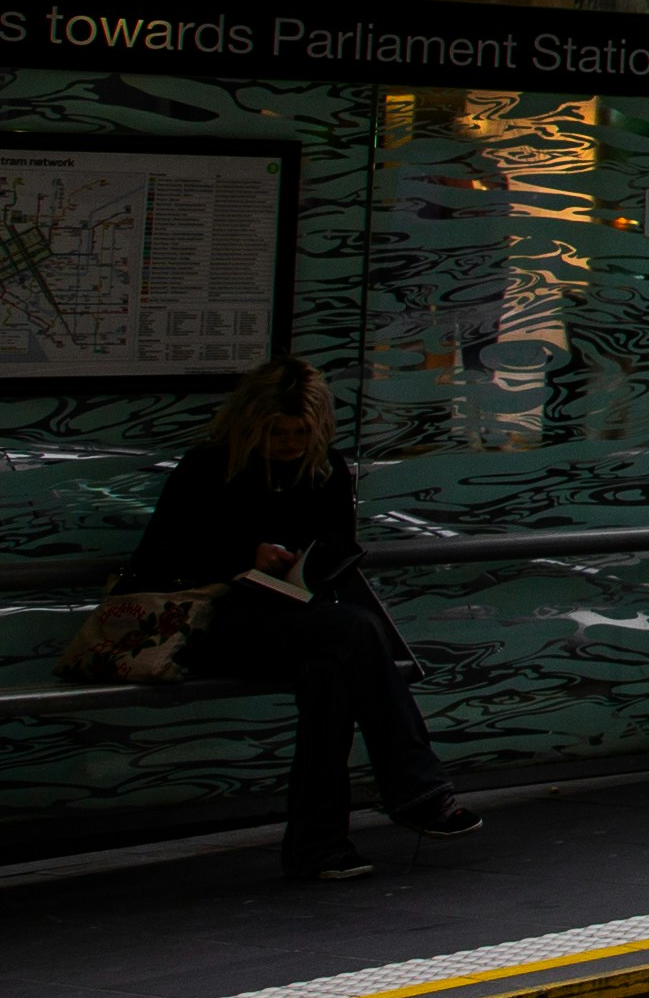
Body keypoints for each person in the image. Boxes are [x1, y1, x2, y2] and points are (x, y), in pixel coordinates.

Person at [125, 361, 478, 884]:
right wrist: (243, 557)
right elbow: (156, 562)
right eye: (277, 433)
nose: (290, 444)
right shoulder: (208, 468)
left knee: (331, 671)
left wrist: (306, 565)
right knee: (354, 631)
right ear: (252, 426)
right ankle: (416, 792)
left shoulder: (324, 469)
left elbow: (337, 547)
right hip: (213, 624)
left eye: (300, 433)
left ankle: (320, 846)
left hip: (294, 621)